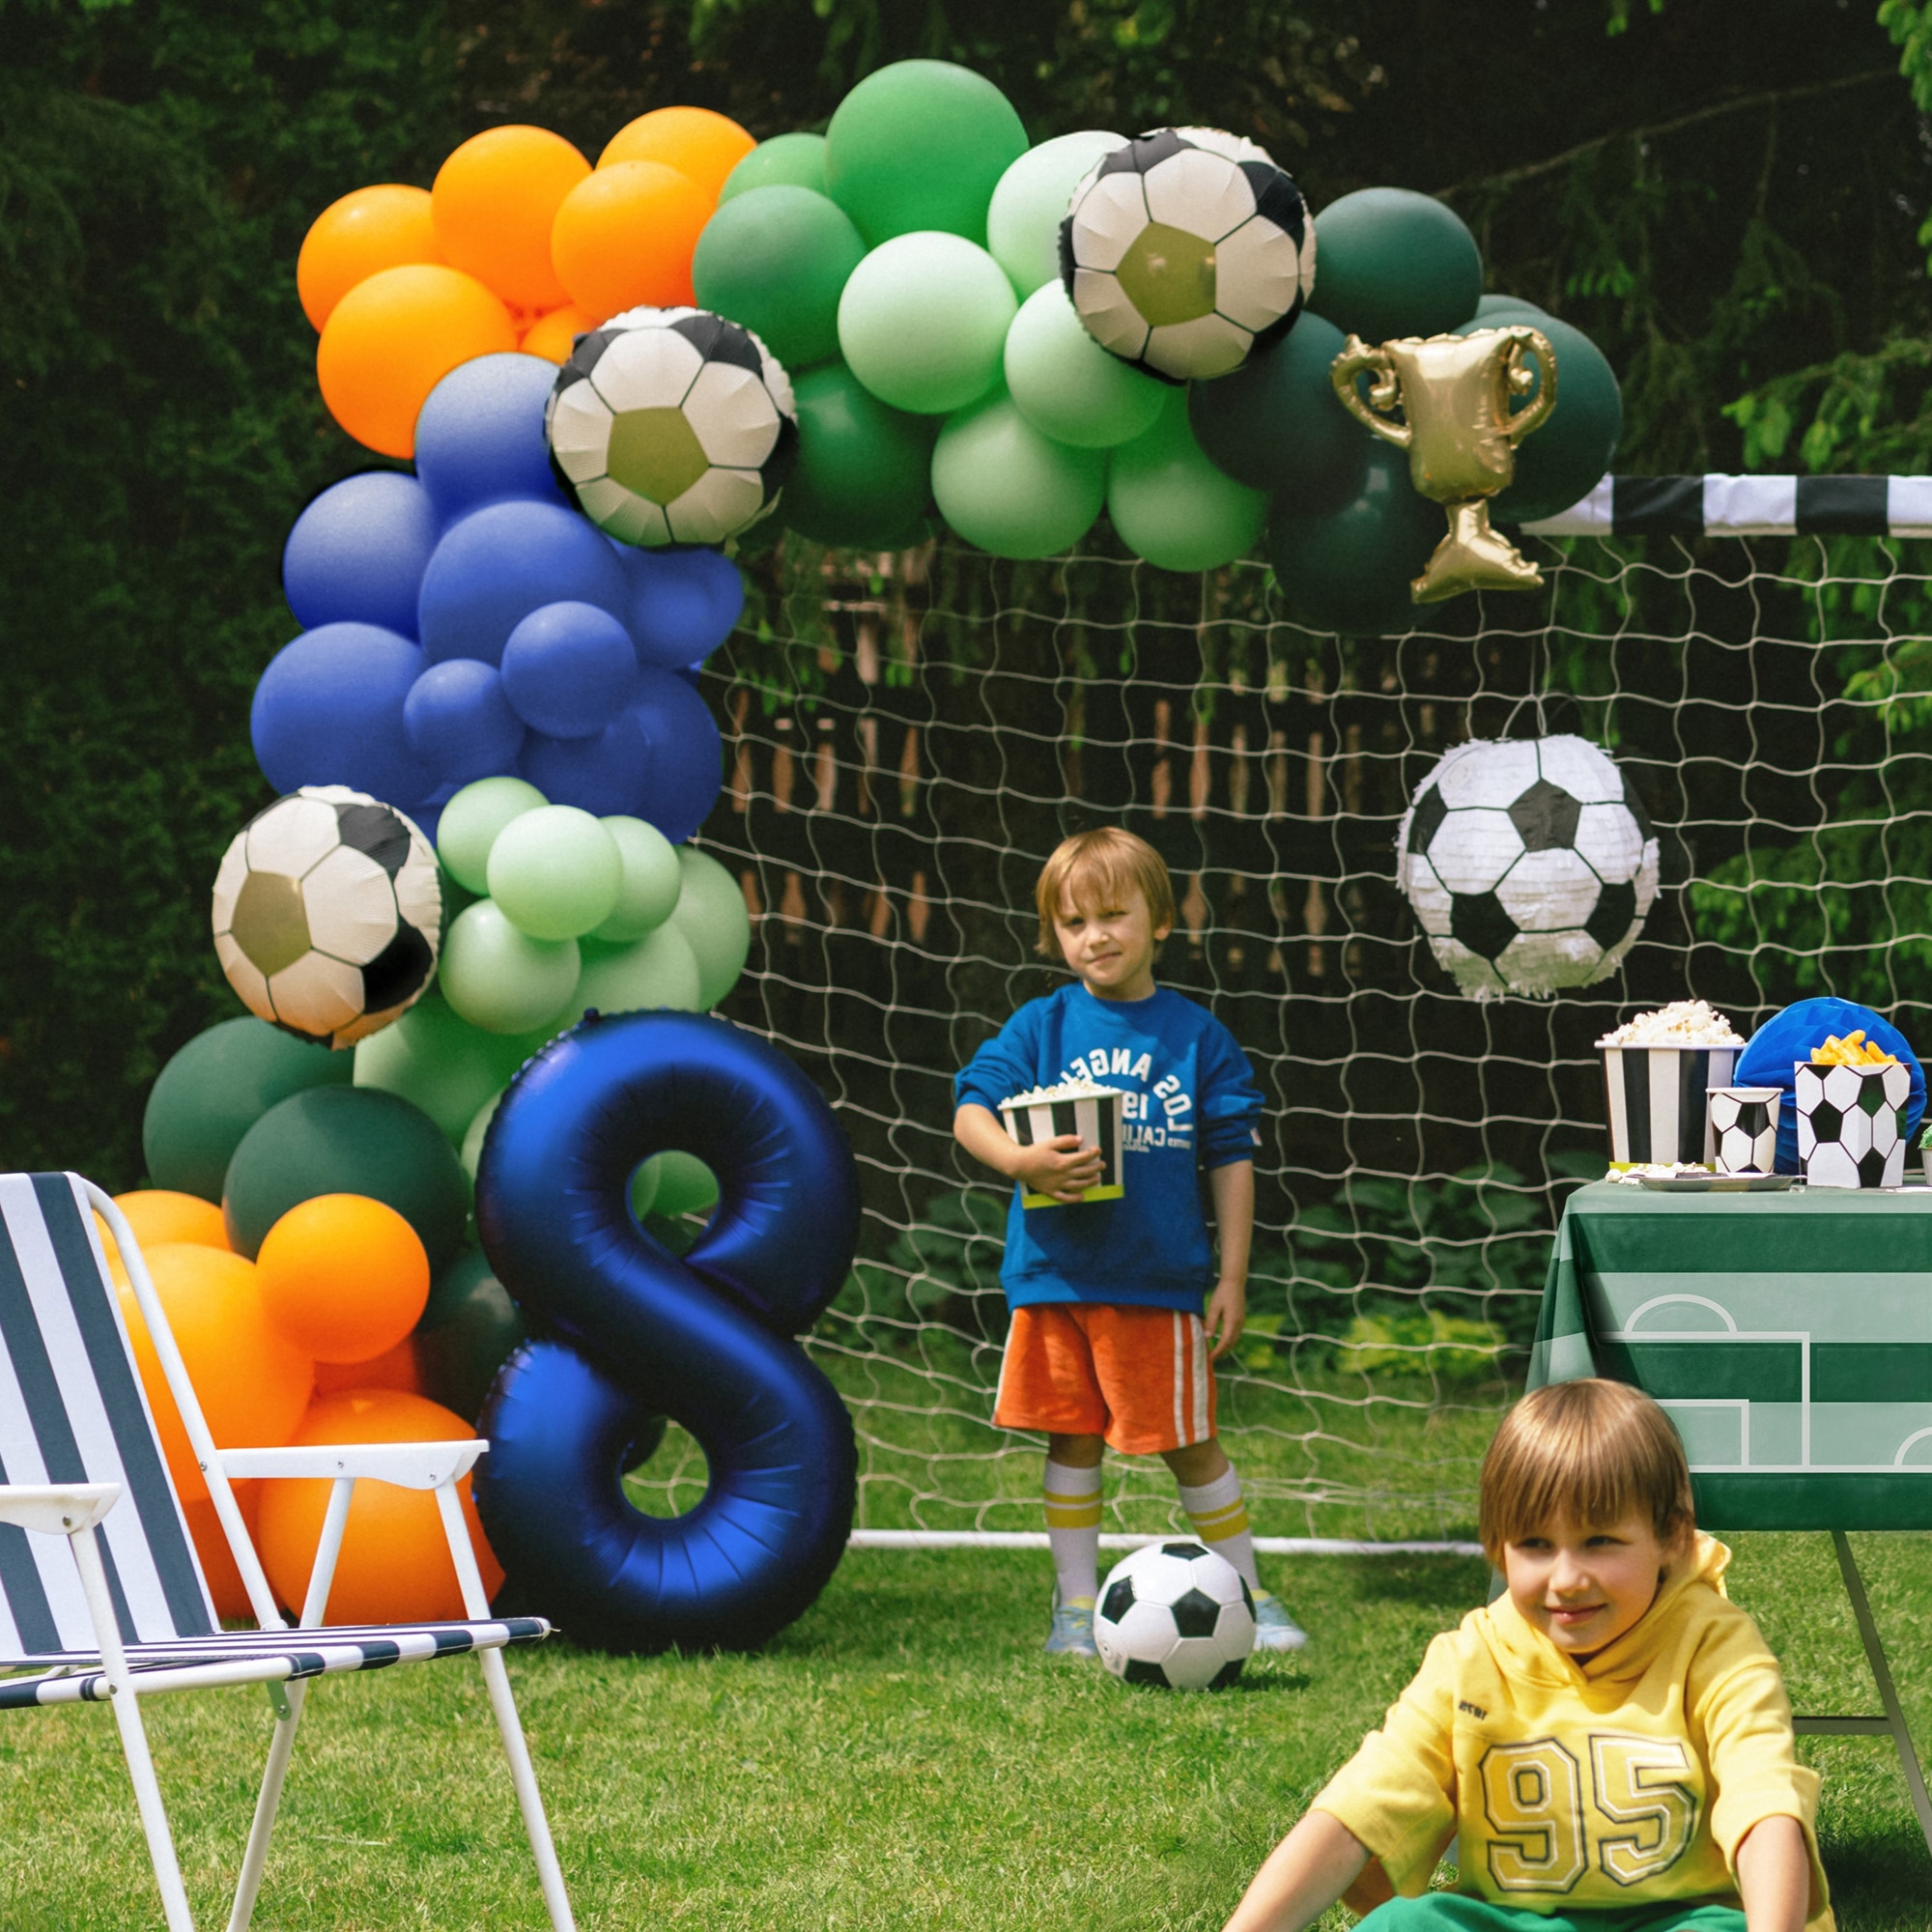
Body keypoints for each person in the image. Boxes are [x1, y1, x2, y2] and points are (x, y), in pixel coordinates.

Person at [1222, 1378, 1832, 1932]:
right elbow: (1360, 1807)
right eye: (1536, 1544)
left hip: (1687, 1920)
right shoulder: (1470, 1657)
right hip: (1518, 1922)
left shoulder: (1715, 1646)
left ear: (1670, 1536)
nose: (1566, 1578)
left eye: (1600, 1542)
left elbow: (1764, 1803)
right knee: (1406, 1924)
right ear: (1497, 1546)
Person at [952, 826, 1305, 1658]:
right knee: (1070, 1439)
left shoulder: (1194, 1037)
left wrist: (1231, 1275)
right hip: (1056, 1278)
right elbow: (972, 1106)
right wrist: (1018, 1158)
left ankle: (1248, 1592)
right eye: (1074, 924)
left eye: (1113, 914)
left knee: (1190, 1444)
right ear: (1055, 936)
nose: (1095, 936)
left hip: (1158, 1280)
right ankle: (1075, 1606)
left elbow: (1232, 1157)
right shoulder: (1041, 1026)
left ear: (1161, 922)